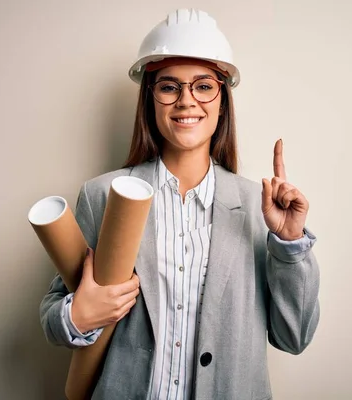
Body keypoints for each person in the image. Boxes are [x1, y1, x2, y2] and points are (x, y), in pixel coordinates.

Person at [40, 8, 320, 400]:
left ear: (222, 100)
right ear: (150, 100)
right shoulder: (103, 196)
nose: (187, 101)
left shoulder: (261, 210)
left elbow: (293, 338)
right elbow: (54, 316)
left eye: (203, 86)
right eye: (169, 87)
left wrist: (289, 247)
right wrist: (77, 316)